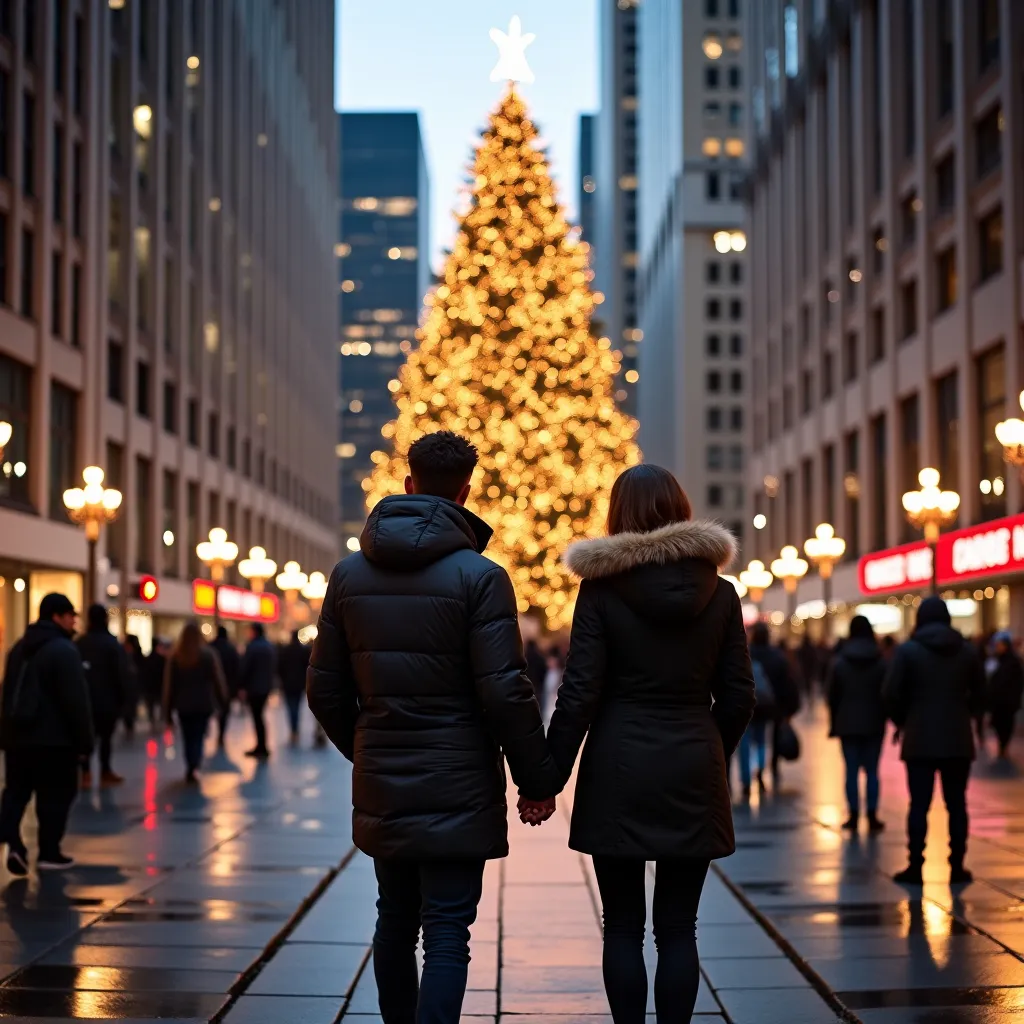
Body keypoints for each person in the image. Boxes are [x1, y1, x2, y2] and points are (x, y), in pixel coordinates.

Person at [307, 431, 560, 1024]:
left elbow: (324, 688)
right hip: (458, 780)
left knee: (393, 916)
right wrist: (536, 778)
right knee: (448, 928)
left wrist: (369, 746)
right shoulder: (482, 577)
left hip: (385, 782)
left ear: (408, 483)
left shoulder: (348, 575)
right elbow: (504, 687)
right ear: (466, 492)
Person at [541, 464, 755, 1023]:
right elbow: (738, 696)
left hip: (618, 763)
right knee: (680, 927)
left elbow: (581, 691)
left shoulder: (602, 591)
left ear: (620, 514)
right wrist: (711, 749)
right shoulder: (722, 593)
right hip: (692, 761)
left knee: (623, 927)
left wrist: (547, 778)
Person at [885, 596, 986, 885]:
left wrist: (904, 720)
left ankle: (916, 865)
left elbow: (891, 693)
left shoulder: (908, 652)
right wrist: (966, 712)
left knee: (919, 804)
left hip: (920, 738)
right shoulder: (966, 651)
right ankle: (957, 865)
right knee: (957, 804)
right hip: (957, 737)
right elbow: (981, 693)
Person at [0, 594, 94, 874]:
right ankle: (49, 851)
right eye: (69, 615)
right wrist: (84, 742)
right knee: (56, 796)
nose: (74, 620)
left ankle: (14, 843)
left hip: (19, 738)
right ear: (56, 616)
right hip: (55, 741)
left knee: (17, 792)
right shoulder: (64, 651)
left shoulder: (19, 648)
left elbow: (7, 693)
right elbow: (76, 701)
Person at [827, 615, 887, 833]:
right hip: (874, 722)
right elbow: (887, 692)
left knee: (851, 771)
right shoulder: (880, 660)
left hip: (847, 722)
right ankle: (872, 815)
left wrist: (834, 721)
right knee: (872, 770)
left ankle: (853, 815)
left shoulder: (841, 661)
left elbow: (832, 695)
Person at [162, 622, 228, 783]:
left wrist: (167, 711)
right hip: (203, 703)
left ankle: (190, 765)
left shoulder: (176, 657)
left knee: (187, 736)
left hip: (183, 704)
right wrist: (222, 700)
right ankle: (195, 764)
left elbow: (170, 686)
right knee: (198, 735)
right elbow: (217, 681)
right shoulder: (207, 655)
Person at [76, 605, 130, 788]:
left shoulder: (80, 643)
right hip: (108, 701)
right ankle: (105, 771)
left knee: (86, 738)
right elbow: (121, 674)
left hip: (85, 700)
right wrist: (123, 699)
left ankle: (85, 772)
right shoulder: (111, 644)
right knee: (106, 738)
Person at [748, 621, 800, 786]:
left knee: (750, 738)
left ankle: (747, 776)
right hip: (773, 705)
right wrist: (790, 707)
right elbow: (787, 683)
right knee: (769, 738)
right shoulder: (777, 656)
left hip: (750, 704)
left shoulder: (746, 654)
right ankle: (769, 768)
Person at [239, 623, 276, 759]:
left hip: (254, 687)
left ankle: (261, 746)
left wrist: (242, 686)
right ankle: (262, 745)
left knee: (257, 717)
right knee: (260, 716)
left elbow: (245, 667)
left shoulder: (252, 647)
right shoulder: (269, 646)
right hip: (265, 686)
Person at [986, 630, 1024, 759]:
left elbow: (1017, 682)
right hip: (998, 701)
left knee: (1006, 725)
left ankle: (1003, 746)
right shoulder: (996, 660)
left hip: (1008, 701)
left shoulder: (1013, 662)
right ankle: (1002, 746)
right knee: (999, 724)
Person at [211, 626, 241, 748]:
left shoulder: (211, 647)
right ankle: (221, 734)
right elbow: (237, 669)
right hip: (228, 687)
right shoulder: (231, 649)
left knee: (214, 709)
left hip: (212, 686)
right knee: (224, 711)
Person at [279, 630, 311, 746]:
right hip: (299, 684)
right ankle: (295, 730)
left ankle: (294, 730)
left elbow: (280, 667)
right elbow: (308, 666)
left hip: (288, 684)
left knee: (290, 707)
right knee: (297, 707)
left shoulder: (285, 650)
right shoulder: (303, 650)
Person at [142, 638, 169, 731]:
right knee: (161, 704)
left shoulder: (148, 658)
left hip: (150, 687)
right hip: (159, 686)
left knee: (152, 706)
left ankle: (153, 722)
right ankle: (160, 722)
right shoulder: (162, 659)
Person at [524, 637, 549, 717]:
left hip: (527, 683)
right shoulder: (539, 657)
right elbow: (544, 670)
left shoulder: (524, 658)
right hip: (538, 685)